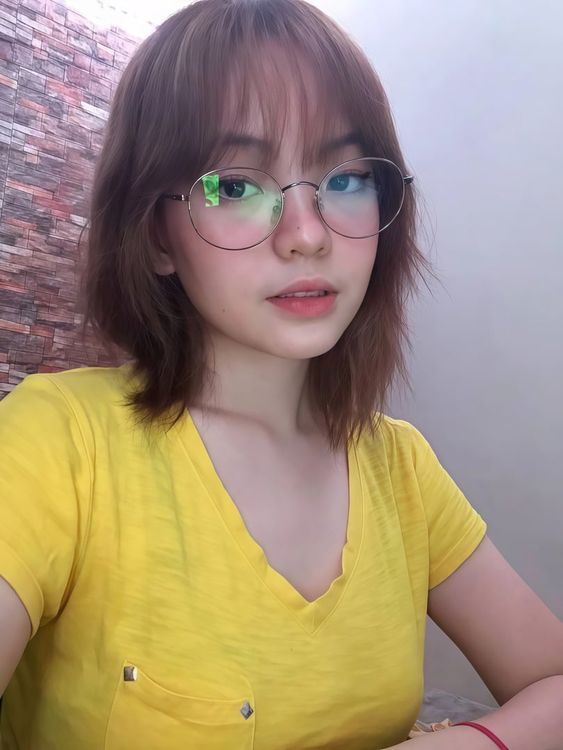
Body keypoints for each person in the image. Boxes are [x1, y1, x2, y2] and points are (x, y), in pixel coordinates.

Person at [1, 1, 563, 748]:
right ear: (157, 235)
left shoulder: (400, 467)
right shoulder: (59, 443)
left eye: (346, 178)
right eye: (235, 186)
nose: (306, 235)